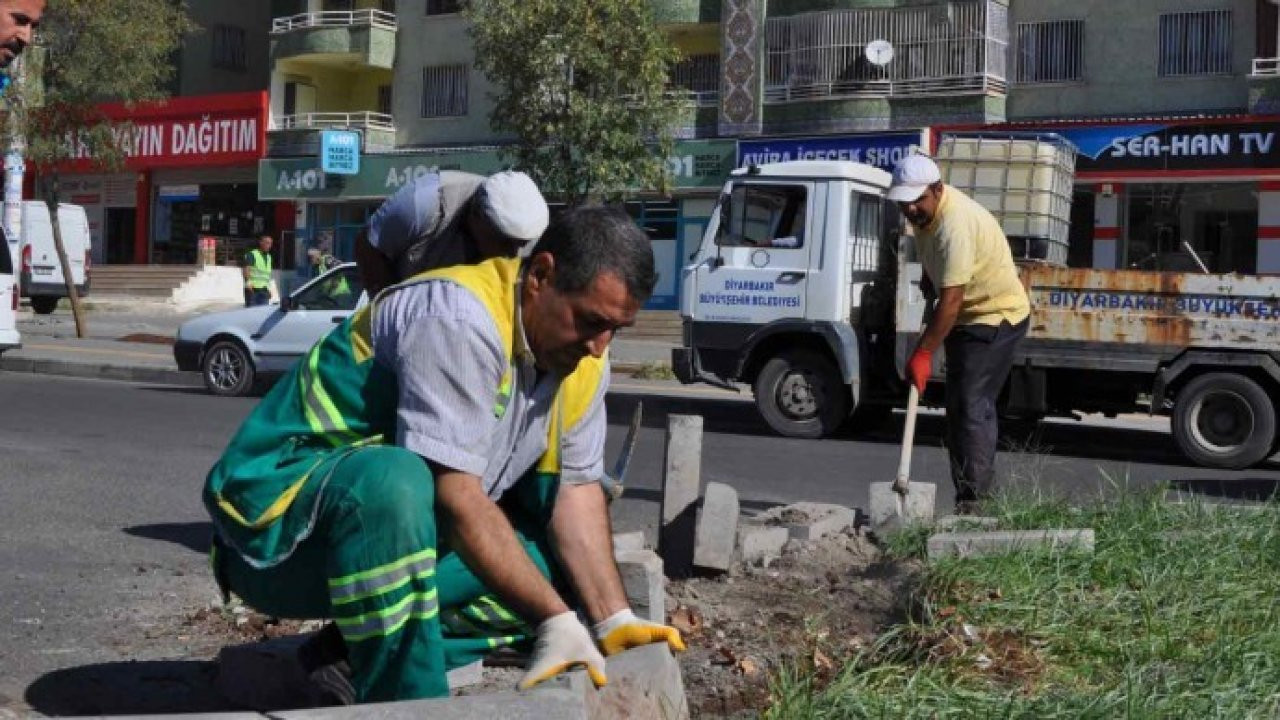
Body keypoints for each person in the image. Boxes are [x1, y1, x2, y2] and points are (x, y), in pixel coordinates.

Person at [204, 206, 684, 704]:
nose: (600, 346)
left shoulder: (580, 359)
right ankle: (410, 702)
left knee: (553, 569)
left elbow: (578, 494)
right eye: (592, 322)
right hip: (277, 539)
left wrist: (612, 618)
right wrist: (555, 619)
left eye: (616, 329)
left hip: (395, 543)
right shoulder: (457, 315)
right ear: (540, 275)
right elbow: (453, 495)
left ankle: (347, 659)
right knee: (396, 481)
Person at [887, 154, 1030, 513]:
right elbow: (940, 278)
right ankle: (968, 496)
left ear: (937, 189)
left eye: (917, 200)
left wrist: (922, 353)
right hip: (967, 317)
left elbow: (951, 302)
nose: (910, 209)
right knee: (957, 411)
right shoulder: (924, 217)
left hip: (994, 316)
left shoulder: (956, 223)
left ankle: (976, 505)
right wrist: (928, 278)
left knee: (971, 406)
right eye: (904, 202)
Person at [355, 170, 549, 297]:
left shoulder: (527, 236)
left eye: (521, 244)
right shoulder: (424, 204)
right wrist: (389, 306)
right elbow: (369, 245)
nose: (512, 254)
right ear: (477, 216)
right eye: (504, 242)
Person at [242, 235, 274, 307]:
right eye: (267, 243)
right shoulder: (252, 254)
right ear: (261, 243)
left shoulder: (269, 257)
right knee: (252, 315)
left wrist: (269, 289)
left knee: (263, 314)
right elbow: (246, 269)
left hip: (264, 291)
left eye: (270, 243)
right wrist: (248, 283)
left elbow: (267, 275)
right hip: (253, 290)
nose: (269, 245)